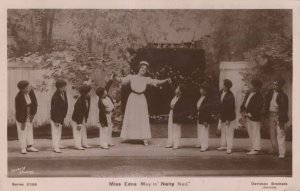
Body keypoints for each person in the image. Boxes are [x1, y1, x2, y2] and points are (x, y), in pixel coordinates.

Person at [117, 61, 171, 146]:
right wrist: (115, 77)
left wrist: (165, 80)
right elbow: (123, 80)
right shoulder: (132, 77)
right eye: (142, 68)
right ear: (139, 68)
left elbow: (156, 81)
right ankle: (132, 136)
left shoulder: (146, 79)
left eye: (145, 69)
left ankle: (144, 138)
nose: (143, 70)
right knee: (132, 117)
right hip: (133, 98)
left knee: (142, 118)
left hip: (141, 99)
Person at [264, 78, 288, 159]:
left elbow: (284, 109)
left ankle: (282, 153)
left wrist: (281, 120)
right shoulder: (271, 93)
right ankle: (275, 149)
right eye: (274, 84)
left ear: (281, 86)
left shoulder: (283, 96)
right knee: (272, 134)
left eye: (276, 85)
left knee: (280, 134)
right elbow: (266, 101)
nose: (274, 86)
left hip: (279, 115)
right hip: (271, 115)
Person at [15, 80, 39, 154]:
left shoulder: (30, 92)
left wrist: (32, 115)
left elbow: (35, 103)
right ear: (22, 89)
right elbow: (20, 111)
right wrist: (23, 122)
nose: (29, 89)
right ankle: (23, 147)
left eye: (29, 87)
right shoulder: (18, 97)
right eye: (27, 88)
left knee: (29, 130)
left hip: (29, 115)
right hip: (21, 117)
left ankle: (30, 146)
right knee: (22, 131)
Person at [240, 79, 263, 155]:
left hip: (254, 117)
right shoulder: (249, 93)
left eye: (253, 86)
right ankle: (253, 146)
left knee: (255, 132)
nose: (251, 87)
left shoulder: (259, 96)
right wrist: (242, 109)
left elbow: (257, 108)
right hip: (248, 116)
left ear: (258, 87)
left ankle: (256, 149)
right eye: (252, 85)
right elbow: (244, 102)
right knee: (250, 131)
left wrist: (249, 113)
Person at [165, 84, 189, 150]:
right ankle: (170, 143)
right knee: (170, 127)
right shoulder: (175, 97)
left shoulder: (183, 100)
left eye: (177, 88)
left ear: (180, 91)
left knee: (176, 129)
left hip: (177, 115)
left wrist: (180, 119)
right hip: (172, 113)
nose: (176, 89)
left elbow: (183, 110)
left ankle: (176, 144)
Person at [216, 79, 236, 154]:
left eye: (223, 84)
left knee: (229, 132)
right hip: (223, 116)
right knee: (223, 131)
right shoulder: (221, 92)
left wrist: (228, 119)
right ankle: (223, 145)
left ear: (227, 86)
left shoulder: (231, 96)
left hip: (229, 117)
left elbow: (231, 108)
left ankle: (229, 147)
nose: (222, 85)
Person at [96, 75, 115, 149]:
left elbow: (107, 86)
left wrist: (110, 79)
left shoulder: (106, 96)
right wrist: (102, 122)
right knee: (104, 130)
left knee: (109, 129)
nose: (106, 91)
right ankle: (103, 144)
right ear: (102, 94)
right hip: (104, 117)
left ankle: (108, 141)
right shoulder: (101, 102)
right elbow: (101, 113)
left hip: (109, 115)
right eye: (104, 91)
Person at [71, 84, 92, 150]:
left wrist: (85, 118)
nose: (90, 93)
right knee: (78, 131)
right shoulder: (79, 102)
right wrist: (79, 123)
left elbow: (87, 110)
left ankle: (84, 143)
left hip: (82, 117)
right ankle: (77, 145)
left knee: (83, 131)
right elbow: (78, 113)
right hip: (76, 118)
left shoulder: (88, 98)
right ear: (85, 93)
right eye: (89, 92)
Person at [50, 79, 68, 153]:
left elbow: (65, 104)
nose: (65, 88)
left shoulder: (64, 93)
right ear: (59, 87)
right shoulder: (55, 97)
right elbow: (53, 110)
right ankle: (55, 147)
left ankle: (58, 144)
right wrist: (56, 120)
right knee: (55, 132)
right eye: (64, 87)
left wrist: (63, 115)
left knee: (59, 131)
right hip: (56, 118)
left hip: (61, 116)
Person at [196, 82, 213, 152]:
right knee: (201, 131)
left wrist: (206, 120)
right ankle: (201, 143)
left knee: (204, 131)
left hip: (205, 117)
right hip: (200, 116)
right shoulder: (201, 97)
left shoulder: (208, 99)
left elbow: (208, 110)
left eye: (201, 89)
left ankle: (204, 146)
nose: (200, 90)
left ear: (205, 90)